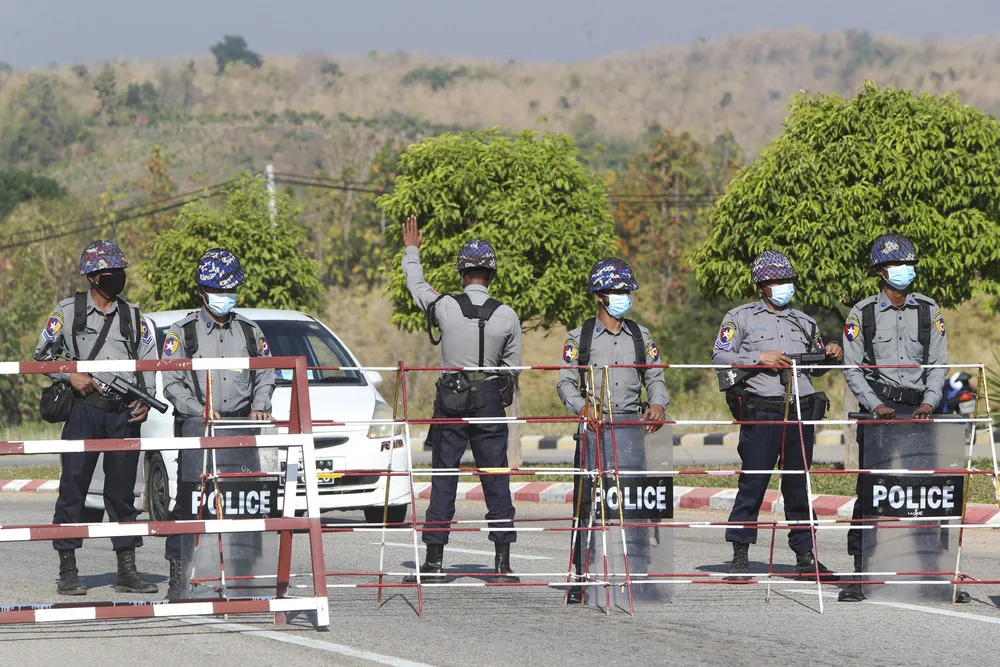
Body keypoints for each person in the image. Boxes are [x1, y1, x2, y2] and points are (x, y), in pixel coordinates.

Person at [839, 234, 970, 603]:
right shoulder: (861, 314)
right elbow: (852, 368)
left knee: (927, 494)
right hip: (878, 410)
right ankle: (861, 575)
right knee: (872, 492)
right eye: (899, 265)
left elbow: (937, 363)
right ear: (881, 271)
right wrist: (872, 403)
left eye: (910, 265)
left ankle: (931, 576)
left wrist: (930, 400)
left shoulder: (929, 310)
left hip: (921, 411)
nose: (906, 271)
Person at [399, 216, 522, 583]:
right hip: (488, 399)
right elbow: (513, 369)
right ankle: (501, 564)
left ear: (461, 272)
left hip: (451, 398)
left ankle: (435, 563)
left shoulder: (445, 307)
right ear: (492, 275)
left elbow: (416, 285)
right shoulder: (507, 315)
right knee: (496, 478)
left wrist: (412, 250)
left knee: (444, 477)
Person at [33, 240, 159, 596]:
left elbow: (147, 361)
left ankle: (127, 568)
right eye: (110, 273)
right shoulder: (68, 311)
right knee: (73, 488)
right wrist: (69, 374)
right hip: (84, 411)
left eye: (121, 271)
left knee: (122, 494)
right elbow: (41, 357)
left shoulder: (134, 316)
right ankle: (68, 568)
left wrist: (145, 399)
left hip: (124, 415)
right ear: (93, 277)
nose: (118, 278)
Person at [711, 250, 841, 579]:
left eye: (788, 280)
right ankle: (740, 556)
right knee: (753, 482)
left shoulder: (805, 321)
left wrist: (831, 353)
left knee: (798, 484)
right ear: (762, 285)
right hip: (763, 409)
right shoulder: (739, 318)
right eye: (777, 281)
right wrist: (758, 357)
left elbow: (816, 367)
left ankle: (805, 556)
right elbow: (719, 357)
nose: (784, 286)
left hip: (800, 408)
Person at [160, 248, 275, 600]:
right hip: (198, 426)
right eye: (219, 290)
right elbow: (170, 381)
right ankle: (179, 579)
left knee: (244, 500)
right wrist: (198, 411)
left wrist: (260, 405)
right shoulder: (183, 333)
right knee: (190, 501)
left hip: (239, 426)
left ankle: (245, 579)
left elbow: (267, 372)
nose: (227, 297)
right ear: (202, 292)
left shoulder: (251, 332)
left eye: (231, 289)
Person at [556, 257, 669, 604]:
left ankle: (639, 577)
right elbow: (564, 383)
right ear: (600, 295)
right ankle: (580, 577)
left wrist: (659, 403)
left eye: (626, 290)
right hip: (594, 429)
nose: (624, 296)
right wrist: (582, 407)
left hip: (631, 428)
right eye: (617, 290)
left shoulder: (641, 335)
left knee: (635, 503)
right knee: (587, 506)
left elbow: (655, 377)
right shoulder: (581, 337)